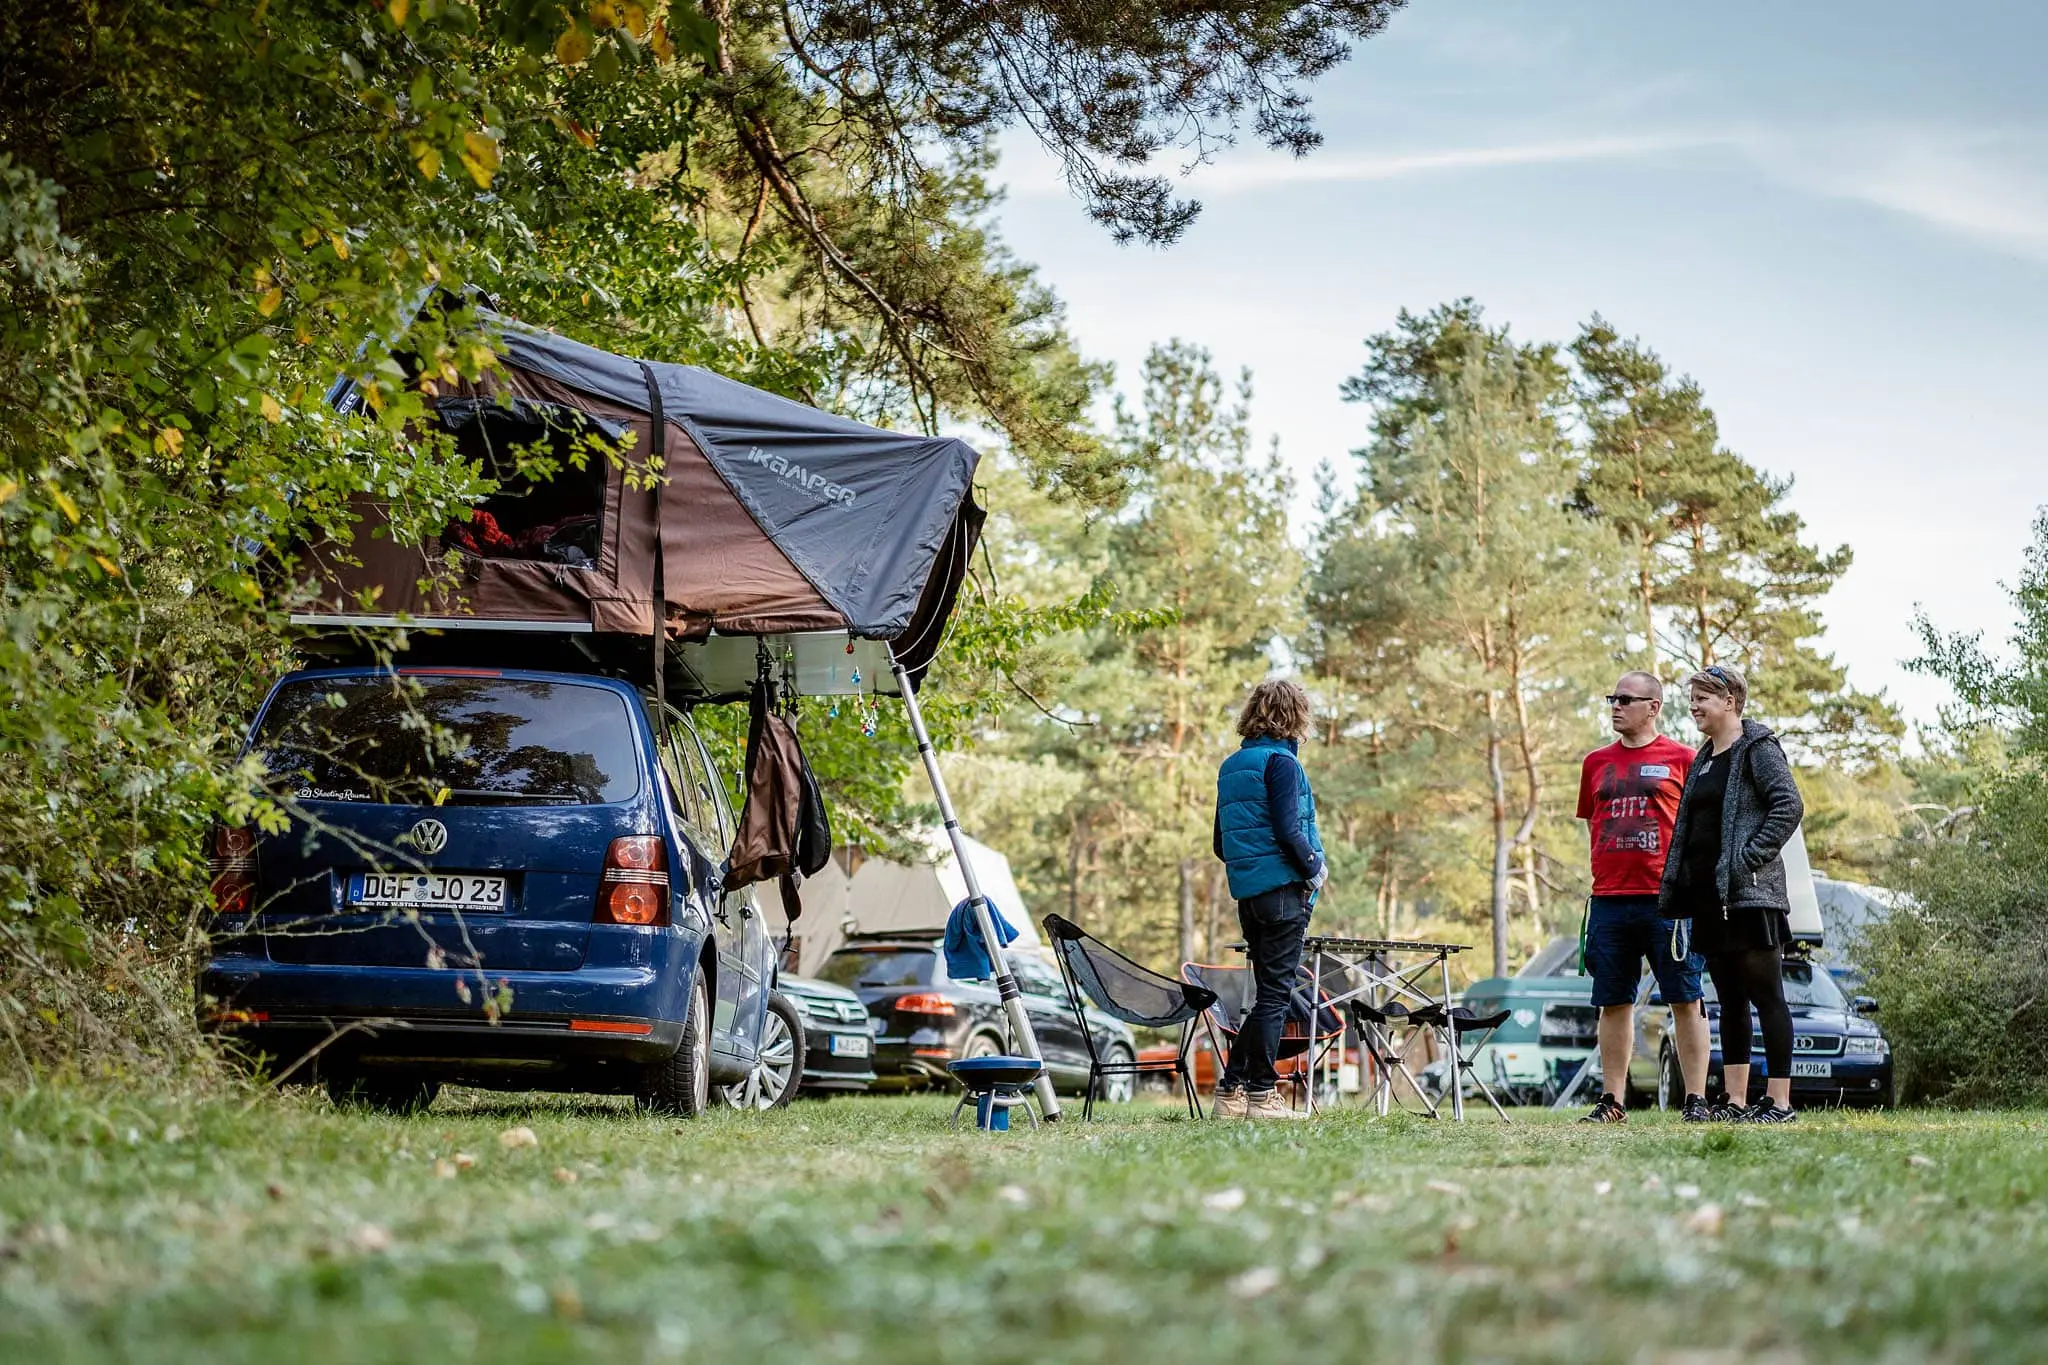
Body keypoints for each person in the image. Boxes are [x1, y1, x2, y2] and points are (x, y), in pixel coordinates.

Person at [1658, 663, 1806, 1123]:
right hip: (1709, 898)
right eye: (1693, 696)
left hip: (1751, 896)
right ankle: (1737, 1100)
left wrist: (1747, 858)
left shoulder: (1757, 748)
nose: (1694, 705)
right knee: (1731, 1001)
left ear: (1730, 701)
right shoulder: (1703, 759)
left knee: (1767, 996)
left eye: (1703, 697)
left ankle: (1779, 1103)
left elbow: (1789, 805)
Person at [1575, 672, 1714, 1124]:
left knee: (1685, 999)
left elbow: (1700, 830)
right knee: (1612, 1001)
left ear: (1653, 707)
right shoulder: (1595, 762)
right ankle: (1613, 1101)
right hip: (1610, 900)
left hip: (1668, 900)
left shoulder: (1684, 759)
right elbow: (1591, 824)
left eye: (1625, 699)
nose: (1615, 706)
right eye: (1612, 698)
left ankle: (1695, 1100)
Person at [1210, 679, 1327, 1121]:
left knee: (1266, 998)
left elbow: (1221, 844)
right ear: (1294, 715)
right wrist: (1314, 867)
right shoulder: (1282, 763)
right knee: (1276, 998)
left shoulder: (1232, 765)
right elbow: (1288, 829)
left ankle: (1230, 1093)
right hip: (1283, 893)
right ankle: (1262, 1095)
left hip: (1249, 895)